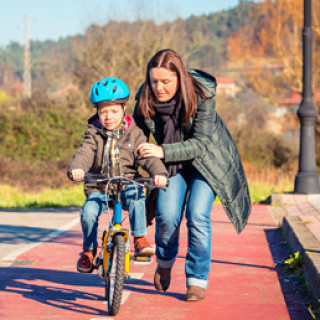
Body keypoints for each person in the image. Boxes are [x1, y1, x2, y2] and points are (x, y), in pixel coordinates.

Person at [133, 49, 251, 301]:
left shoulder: (202, 95)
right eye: (154, 81)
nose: (158, 87)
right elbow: (136, 140)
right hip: (171, 163)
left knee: (197, 215)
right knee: (166, 216)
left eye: (166, 81)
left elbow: (202, 143)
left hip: (207, 161)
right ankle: (164, 262)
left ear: (180, 78)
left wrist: (162, 150)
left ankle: (197, 279)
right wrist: (146, 163)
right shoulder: (144, 99)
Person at [68, 77, 168, 273]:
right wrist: (77, 168)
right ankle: (88, 251)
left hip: (127, 183)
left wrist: (159, 173)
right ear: (96, 112)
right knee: (88, 213)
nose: (108, 117)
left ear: (124, 109)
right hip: (99, 187)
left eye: (113, 111)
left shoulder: (135, 133)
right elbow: (84, 153)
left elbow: (146, 157)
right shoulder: (93, 134)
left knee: (137, 195)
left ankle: (140, 238)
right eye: (103, 111)